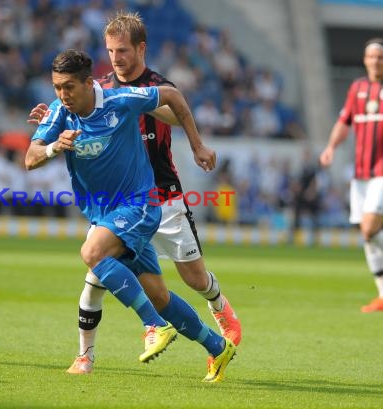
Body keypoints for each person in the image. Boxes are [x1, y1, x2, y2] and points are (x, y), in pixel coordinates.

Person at [28, 12, 241, 375]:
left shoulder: (124, 96)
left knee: (98, 256)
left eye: (123, 50)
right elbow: (31, 156)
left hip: (151, 197)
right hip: (106, 210)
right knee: (157, 294)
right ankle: (216, 346)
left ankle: (158, 324)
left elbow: (174, 102)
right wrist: (53, 146)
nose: (116, 57)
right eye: (110, 50)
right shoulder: (73, 105)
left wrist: (196, 144)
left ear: (140, 48)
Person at [319, 38, 383, 313]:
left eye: (379, 57)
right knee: (367, 236)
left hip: (382, 170)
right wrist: (331, 147)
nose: (375, 61)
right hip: (361, 173)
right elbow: (344, 122)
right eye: (371, 56)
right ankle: (382, 295)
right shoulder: (357, 88)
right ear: (365, 59)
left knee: (370, 227)